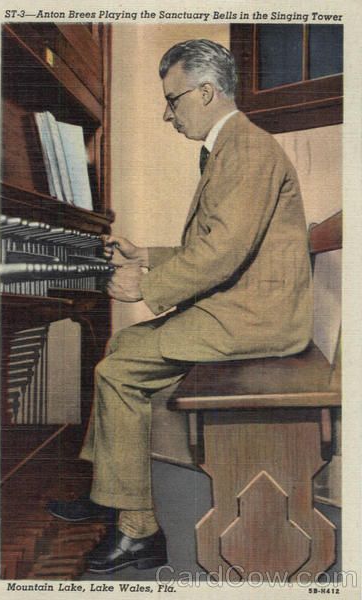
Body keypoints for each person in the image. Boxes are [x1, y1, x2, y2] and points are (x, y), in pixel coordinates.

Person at [47, 39, 313, 573]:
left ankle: (140, 532)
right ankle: (112, 492)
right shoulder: (235, 146)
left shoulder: (248, 149)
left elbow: (220, 254)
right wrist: (147, 256)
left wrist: (143, 287)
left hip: (258, 318)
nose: (168, 115)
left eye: (173, 100)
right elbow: (219, 243)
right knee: (124, 345)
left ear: (207, 91)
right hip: (245, 305)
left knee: (119, 369)